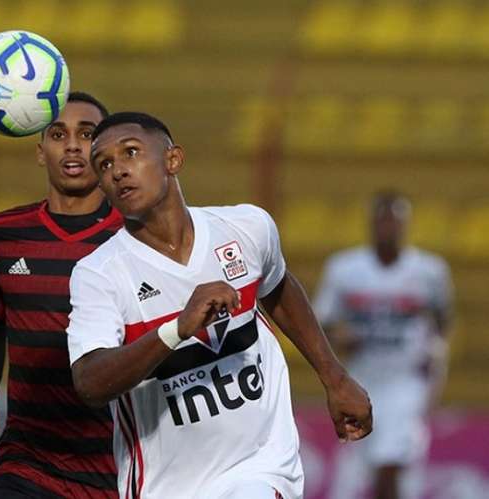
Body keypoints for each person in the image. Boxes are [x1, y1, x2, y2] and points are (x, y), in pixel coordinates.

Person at [66, 112, 373, 499]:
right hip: (164, 487)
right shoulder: (99, 274)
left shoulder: (246, 228)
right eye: (105, 164)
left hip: (259, 467)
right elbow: (91, 383)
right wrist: (176, 329)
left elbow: (278, 287)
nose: (118, 171)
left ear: (173, 160)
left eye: (131, 153)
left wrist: (335, 378)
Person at [0, 92, 122, 498]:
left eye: (86, 134)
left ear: (105, 152)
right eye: (57, 133)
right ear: (40, 151)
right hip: (29, 465)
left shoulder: (138, 236)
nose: (71, 144)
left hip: (120, 468)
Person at [313, 192, 453, 499]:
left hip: (406, 380)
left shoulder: (429, 271)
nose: (388, 228)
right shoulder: (345, 269)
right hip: (361, 377)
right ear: (371, 224)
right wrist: (341, 337)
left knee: (392, 461)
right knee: (364, 465)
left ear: (406, 225)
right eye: (383, 221)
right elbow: (322, 321)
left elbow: (443, 320)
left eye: (395, 221)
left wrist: (437, 362)